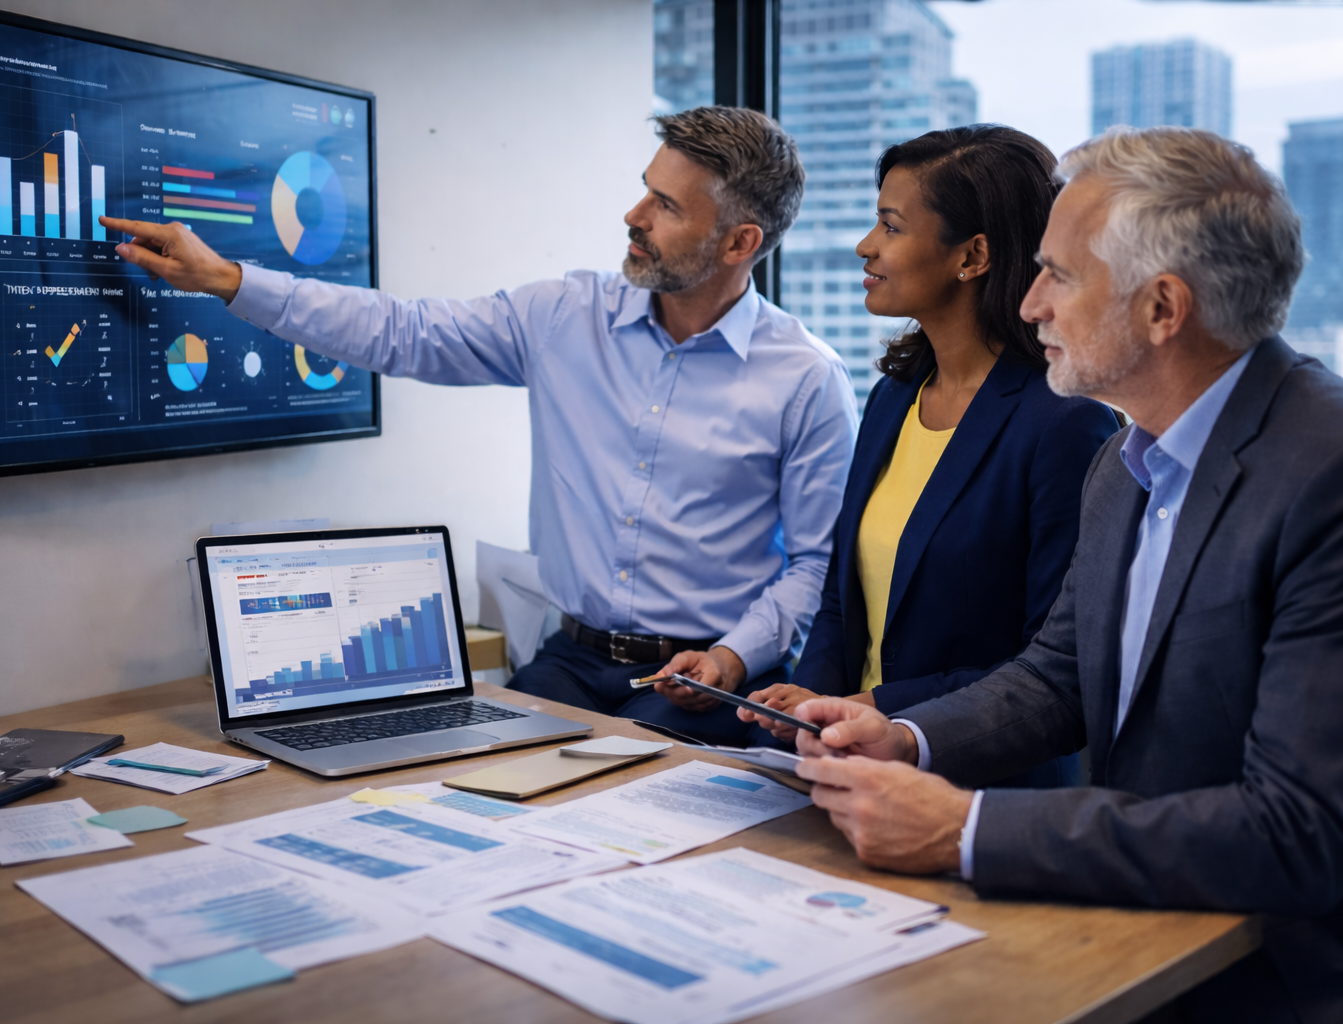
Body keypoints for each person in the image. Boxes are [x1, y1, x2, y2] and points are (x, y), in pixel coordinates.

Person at [755, 126, 1342, 1022]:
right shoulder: (1127, 463)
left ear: (1162, 309)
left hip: (1273, 973)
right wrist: (904, 737)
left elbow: (1298, 833)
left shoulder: (1323, 473)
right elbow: (1056, 674)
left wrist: (964, 828)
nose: (1029, 305)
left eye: (1059, 276)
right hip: (1133, 921)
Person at [102, 105, 857, 745]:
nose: (633, 217)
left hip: (704, 681)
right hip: (570, 660)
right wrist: (229, 280)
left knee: (621, 830)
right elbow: (401, 331)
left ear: (739, 243)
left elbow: (816, 569)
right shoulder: (564, 315)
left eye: (667, 207)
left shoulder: (805, 378)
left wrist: (732, 657)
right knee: (457, 784)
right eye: (644, 193)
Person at [662, 126, 1118, 790]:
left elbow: (1050, 665)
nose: (864, 246)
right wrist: (810, 698)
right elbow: (842, 602)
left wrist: (879, 709)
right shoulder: (893, 398)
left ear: (973, 255)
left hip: (978, 787)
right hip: (848, 766)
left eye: (891, 226)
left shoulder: (1066, 425)